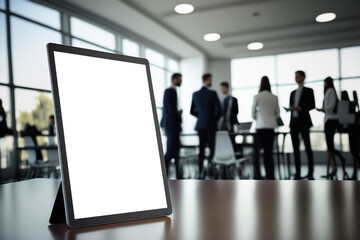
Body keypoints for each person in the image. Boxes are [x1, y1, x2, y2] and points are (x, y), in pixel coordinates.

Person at [190, 73, 221, 179]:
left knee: (201, 149)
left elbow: (191, 111)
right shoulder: (212, 93)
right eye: (210, 80)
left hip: (200, 125)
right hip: (211, 125)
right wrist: (213, 119)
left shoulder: (195, 94)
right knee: (212, 149)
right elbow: (219, 110)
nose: (211, 82)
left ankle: (201, 171)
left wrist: (201, 117)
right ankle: (212, 171)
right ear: (206, 80)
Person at [316, 77, 348, 180]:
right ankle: (334, 168)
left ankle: (341, 159)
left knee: (330, 145)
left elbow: (332, 105)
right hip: (329, 119)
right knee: (329, 146)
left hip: (331, 120)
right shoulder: (331, 91)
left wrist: (323, 109)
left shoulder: (330, 91)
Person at [252, 76, 280, 180]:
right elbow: (277, 114)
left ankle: (258, 174)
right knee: (268, 152)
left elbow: (253, 113)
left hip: (260, 126)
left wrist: (259, 117)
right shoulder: (274, 97)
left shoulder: (257, 96)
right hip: (271, 127)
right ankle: (270, 175)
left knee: (257, 152)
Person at [289, 70, 315, 180]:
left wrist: (298, 108)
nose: (295, 77)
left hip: (304, 122)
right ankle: (298, 173)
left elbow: (312, 105)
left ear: (303, 77)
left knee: (308, 148)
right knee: (295, 149)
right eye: (295, 75)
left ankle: (310, 173)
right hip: (294, 122)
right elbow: (291, 106)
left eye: (297, 76)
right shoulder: (292, 93)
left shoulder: (309, 91)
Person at [161, 73, 183, 179]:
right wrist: (178, 113)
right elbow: (169, 110)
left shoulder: (173, 91)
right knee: (170, 152)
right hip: (171, 126)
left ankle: (177, 176)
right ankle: (164, 176)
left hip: (173, 126)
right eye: (180, 79)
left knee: (175, 151)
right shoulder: (170, 91)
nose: (181, 81)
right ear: (174, 79)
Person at [339, 91, 359, 180]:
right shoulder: (352, 104)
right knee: (356, 149)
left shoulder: (344, 105)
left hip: (352, 130)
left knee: (353, 149)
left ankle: (356, 166)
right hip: (355, 129)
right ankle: (355, 167)